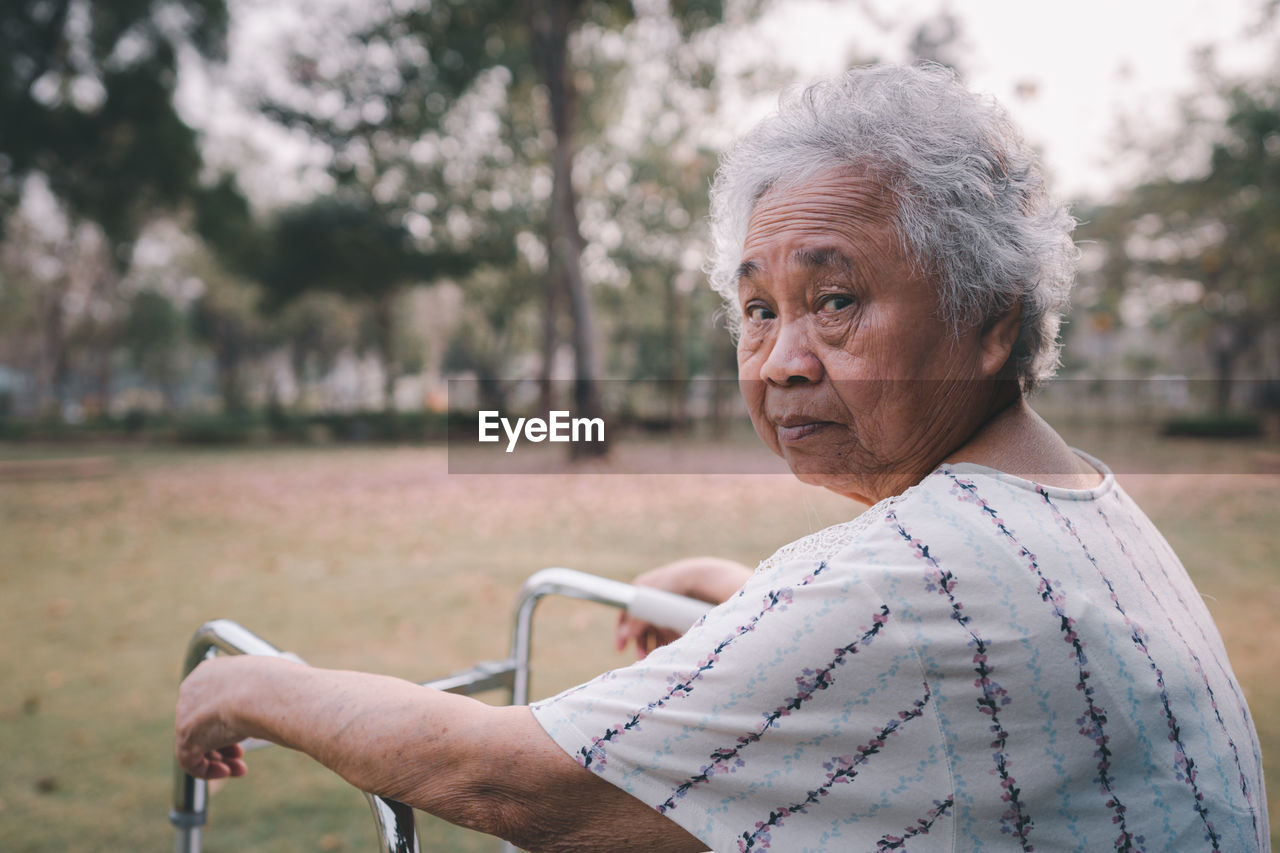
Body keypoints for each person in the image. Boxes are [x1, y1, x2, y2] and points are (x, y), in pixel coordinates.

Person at [176, 64, 1268, 851]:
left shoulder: (908, 581)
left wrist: (257, 683)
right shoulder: (1076, 508)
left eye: (834, 301)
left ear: (989, 321)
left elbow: (512, 781)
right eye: (756, 308)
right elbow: (946, 677)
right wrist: (733, 601)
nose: (780, 359)